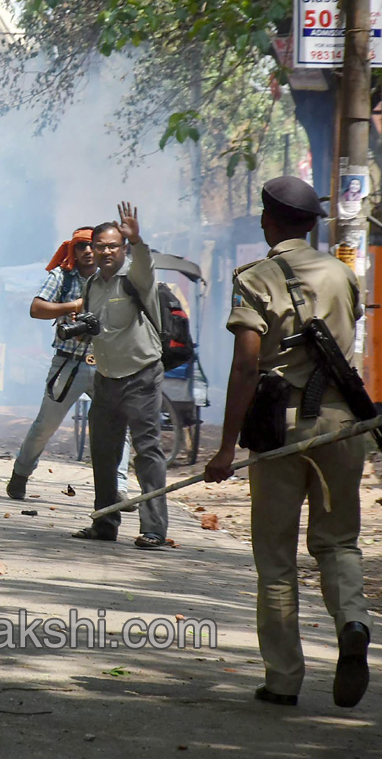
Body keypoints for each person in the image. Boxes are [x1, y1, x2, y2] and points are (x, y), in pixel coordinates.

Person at [204, 176, 371, 709]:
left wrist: (227, 448)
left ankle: (283, 680)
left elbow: (247, 365)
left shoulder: (255, 279)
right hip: (345, 426)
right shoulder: (344, 274)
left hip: (282, 430)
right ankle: (353, 621)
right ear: (313, 223)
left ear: (266, 220)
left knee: (276, 559)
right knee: (338, 543)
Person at [7, 227, 132, 502]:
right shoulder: (62, 276)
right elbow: (36, 308)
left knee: (118, 426)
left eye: (93, 246)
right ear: (72, 250)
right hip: (68, 362)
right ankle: (21, 474)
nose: (88, 251)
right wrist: (73, 306)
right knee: (45, 426)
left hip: (107, 364)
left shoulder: (115, 278)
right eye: (81, 246)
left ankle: (119, 487)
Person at [70, 203, 169, 549]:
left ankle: (154, 528)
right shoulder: (92, 286)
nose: (106, 251)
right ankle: (105, 522)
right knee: (103, 452)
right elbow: (97, 329)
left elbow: (145, 263)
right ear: (92, 250)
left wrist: (138, 239)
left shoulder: (135, 277)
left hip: (141, 375)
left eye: (113, 246)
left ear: (122, 249)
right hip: (106, 377)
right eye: (100, 246)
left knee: (147, 451)